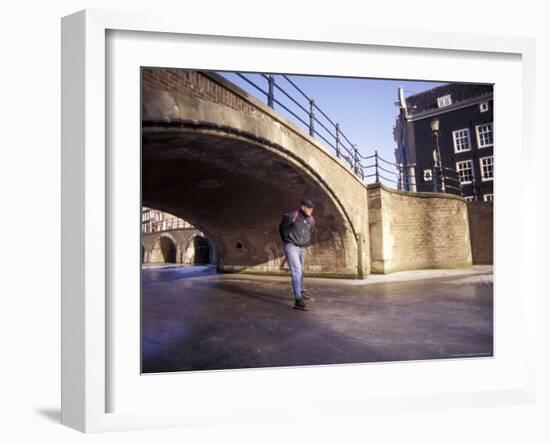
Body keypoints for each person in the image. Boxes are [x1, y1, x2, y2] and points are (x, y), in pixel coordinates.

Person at [279, 199, 316, 311]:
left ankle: (300, 290)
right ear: (302, 207)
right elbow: (282, 229)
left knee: (302, 271)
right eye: (308, 207)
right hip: (291, 246)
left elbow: (311, 231)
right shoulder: (291, 216)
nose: (310, 210)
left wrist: (305, 241)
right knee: (297, 271)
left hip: (301, 248)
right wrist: (287, 240)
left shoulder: (311, 220)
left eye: (312, 208)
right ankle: (298, 300)